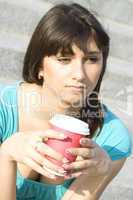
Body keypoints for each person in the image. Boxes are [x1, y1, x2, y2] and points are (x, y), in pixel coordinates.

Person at [0, 3, 132, 200]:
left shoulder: (113, 139)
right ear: (39, 66)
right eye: (64, 59)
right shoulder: (4, 109)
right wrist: (7, 155)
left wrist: (98, 174)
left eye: (92, 59)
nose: (79, 74)